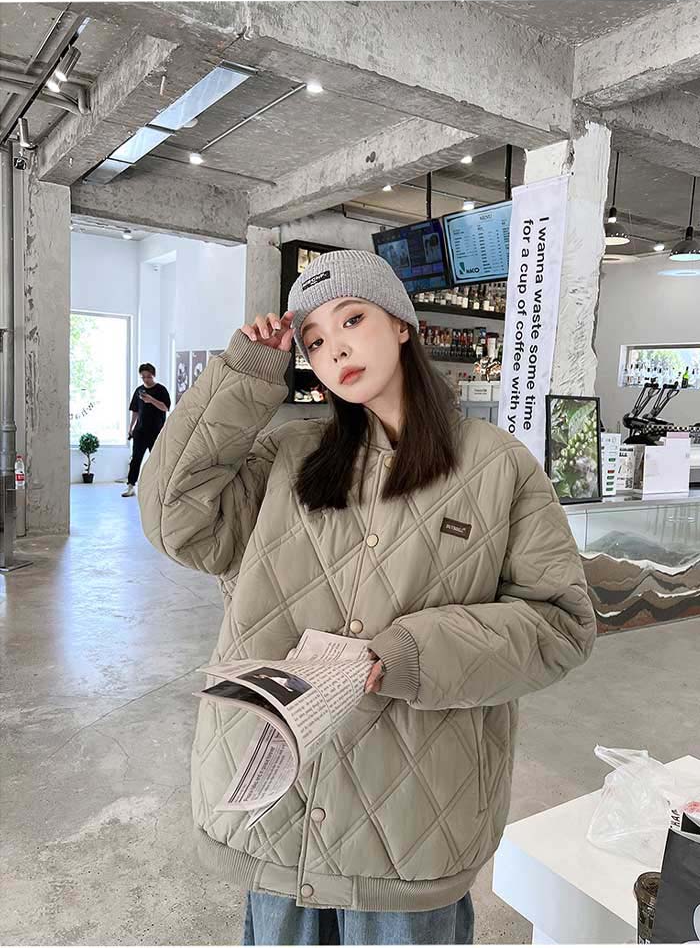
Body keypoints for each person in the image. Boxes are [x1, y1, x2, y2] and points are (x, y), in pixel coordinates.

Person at [138, 251, 596, 945]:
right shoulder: (290, 458)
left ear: (403, 324)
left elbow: (560, 623)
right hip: (281, 812)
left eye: (352, 319)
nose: (336, 348)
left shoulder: (498, 465)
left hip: (411, 823)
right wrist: (246, 375)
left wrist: (414, 654)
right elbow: (176, 519)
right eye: (315, 339)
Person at [122, 363, 171, 497]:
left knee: (157, 460)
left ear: (153, 375)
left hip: (156, 431)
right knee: (136, 459)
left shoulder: (161, 390)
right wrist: (131, 428)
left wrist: (151, 400)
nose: (146, 379)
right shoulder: (139, 390)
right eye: (143, 377)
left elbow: (165, 407)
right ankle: (131, 486)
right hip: (140, 431)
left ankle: (160, 487)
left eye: (148, 376)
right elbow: (135, 411)